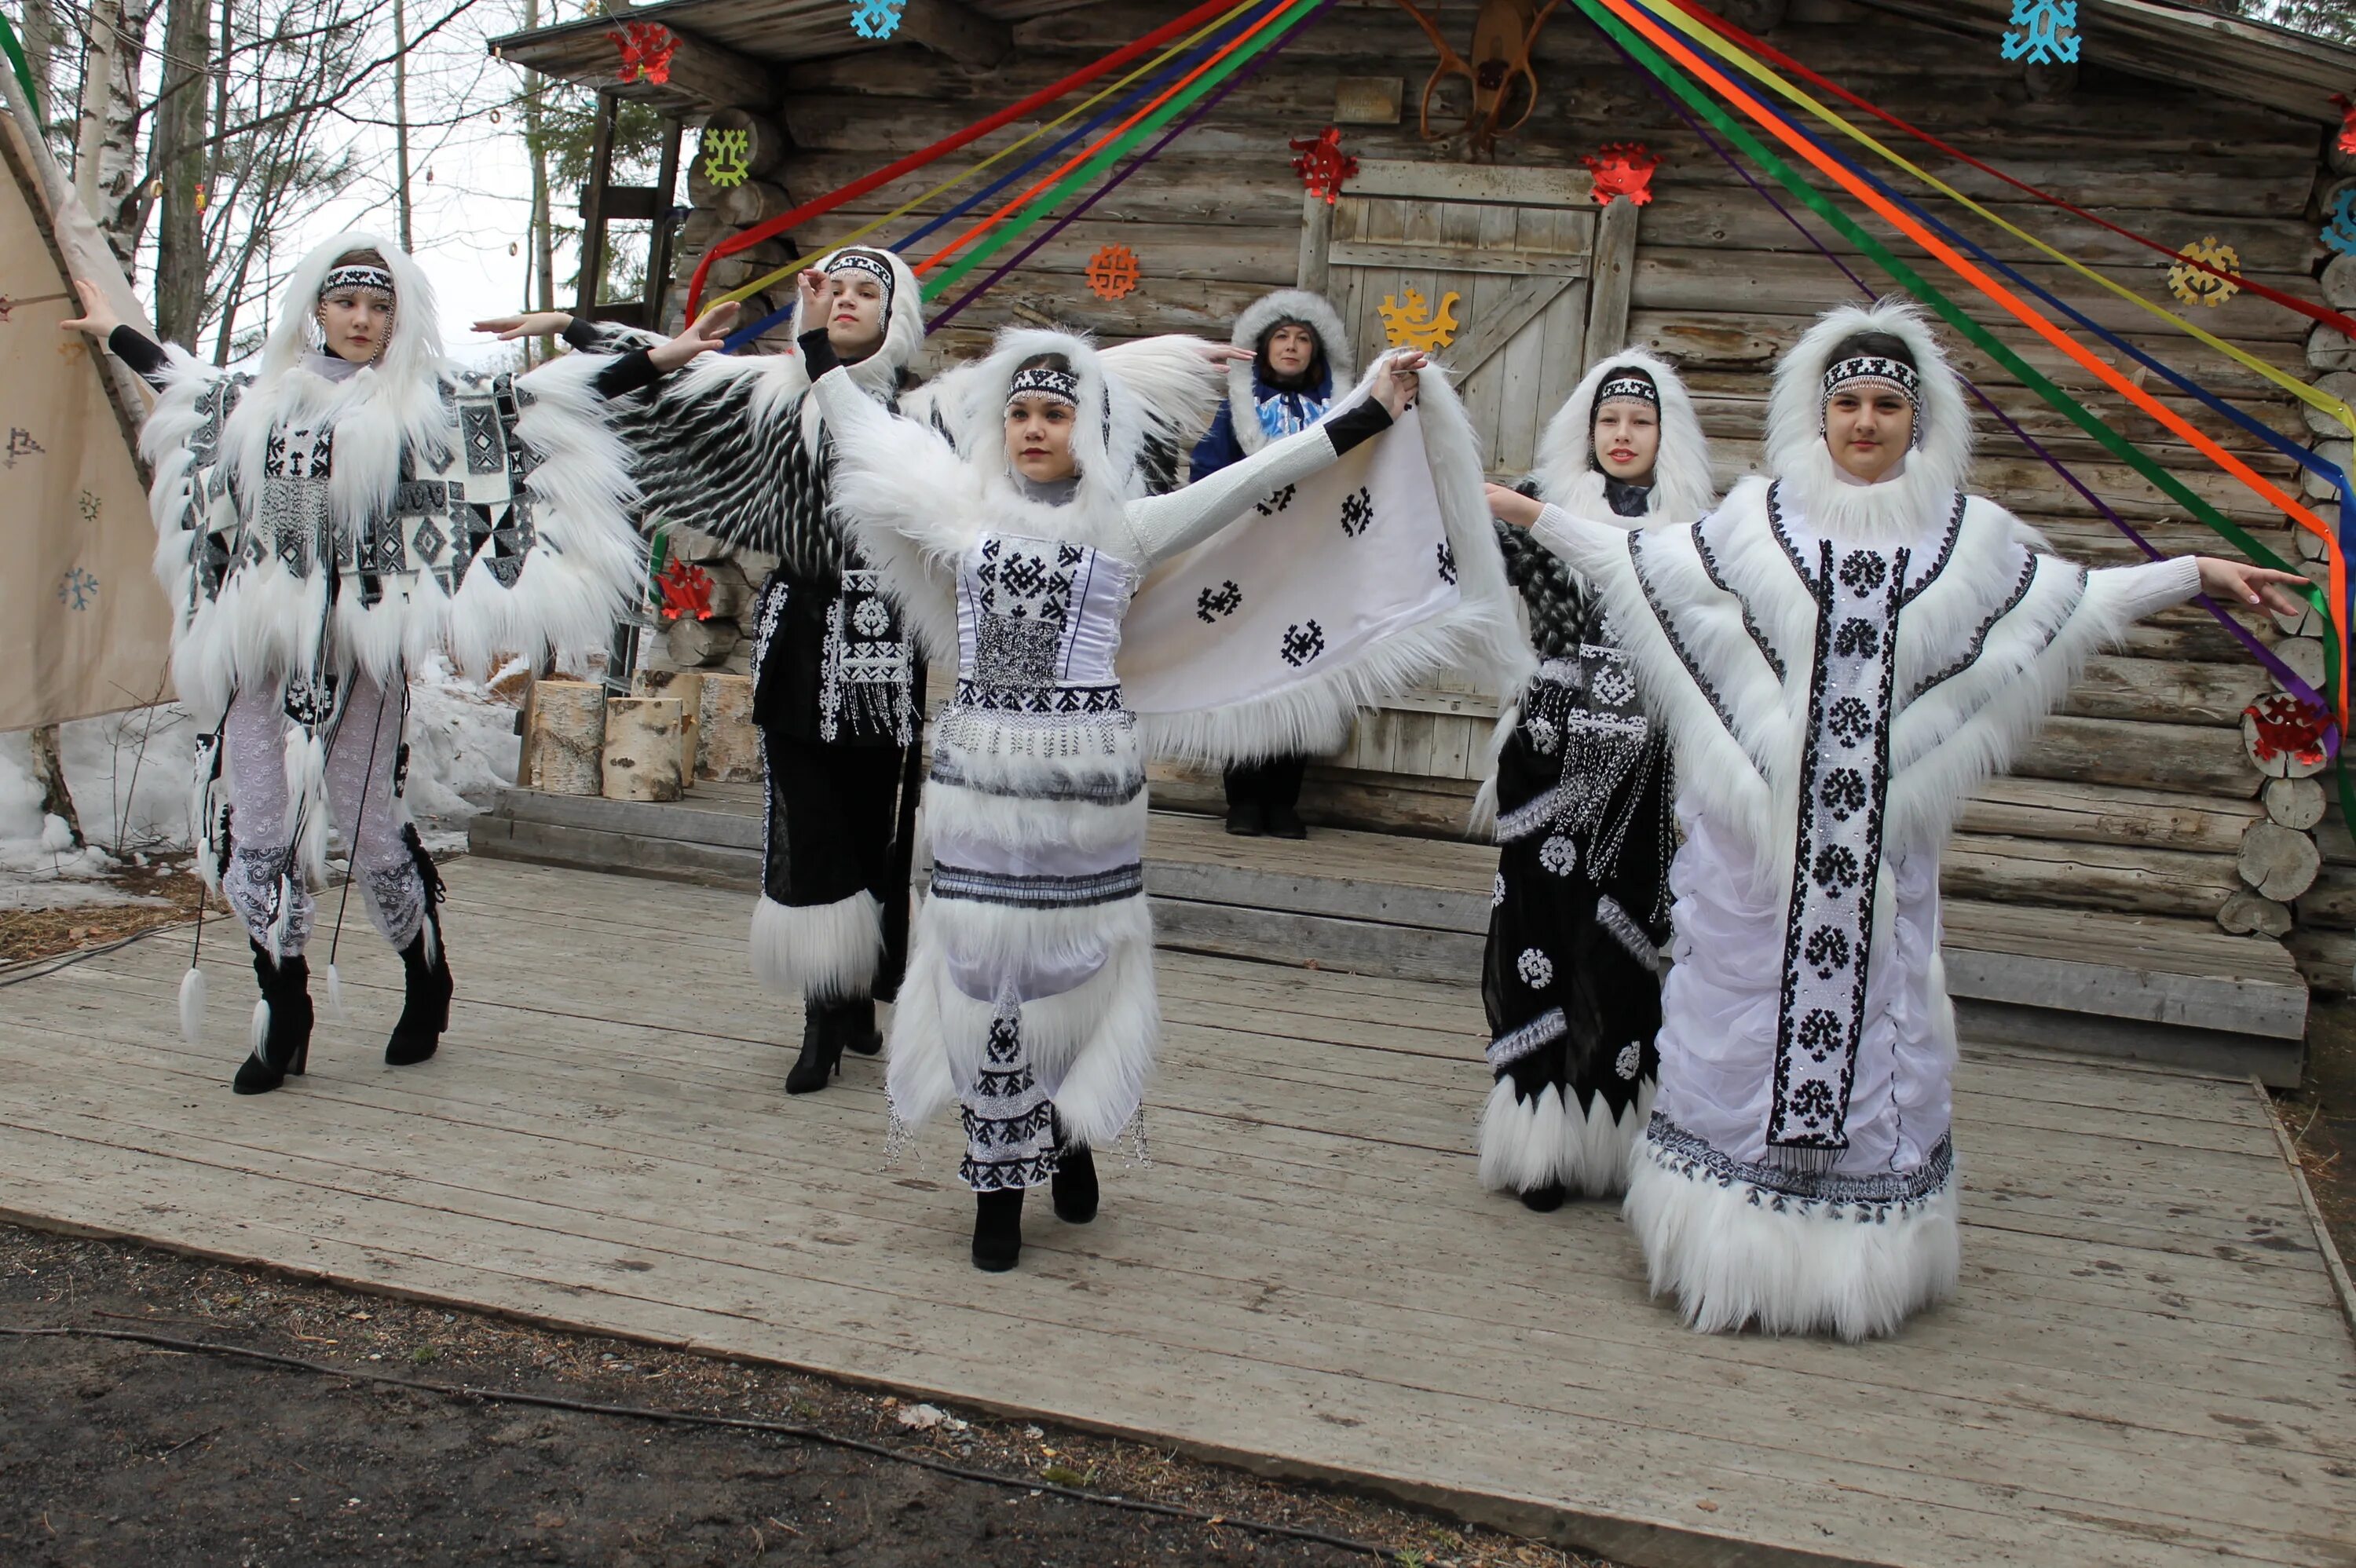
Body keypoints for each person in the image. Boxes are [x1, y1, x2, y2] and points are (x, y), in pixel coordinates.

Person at [1487, 300, 2308, 1339]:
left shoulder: (1968, 546)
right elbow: (1638, 565)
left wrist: (2192, 574)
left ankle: (1845, 1265)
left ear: (1918, 420)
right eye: (1847, 403)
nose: (1865, 421)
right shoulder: (1755, 526)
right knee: (1731, 1039)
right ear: (1817, 415)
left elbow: (2073, 602)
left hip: (1879, 868)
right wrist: (1528, 515)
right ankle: (1723, 1248)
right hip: (1754, 866)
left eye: (1885, 403)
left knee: (1882, 1035)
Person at [795, 266, 1512, 1271]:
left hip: (1087, 795)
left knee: (1073, 968)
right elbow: (858, 427)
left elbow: (1253, 486)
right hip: (977, 795)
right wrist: (821, 343)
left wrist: (1368, 410)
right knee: (981, 972)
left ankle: (1074, 1131)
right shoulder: (955, 516)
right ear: (1001, 427)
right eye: (1022, 414)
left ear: (1086, 426)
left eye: (1056, 412)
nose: (1036, 428)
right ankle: (998, 1177)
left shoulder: (1125, 530)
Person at [61, 232, 727, 1094]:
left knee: (366, 819)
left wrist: (654, 353)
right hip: (258, 646)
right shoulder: (254, 397)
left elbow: (535, 403)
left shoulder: (426, 405)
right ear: (318, 310)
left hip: (360, 648)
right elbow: (177, 383)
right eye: (347, 304)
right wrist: (113, 326)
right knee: (256, 827)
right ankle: (282, 1008)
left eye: (380, 307)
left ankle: (425, 974)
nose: (363, 320)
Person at [485, 247, 931, 1097]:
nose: (846, 300)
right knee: (807, 819)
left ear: (894, 313)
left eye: (866, 291)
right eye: (833, 287)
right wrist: (570, 330)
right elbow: (672, 376)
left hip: (883, 634)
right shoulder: (766, 394)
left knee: (874, 822)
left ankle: (856, 995)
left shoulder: (920, 414)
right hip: (799, 630)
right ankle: (818, 1007)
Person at [1479, 352, 1714, 1213]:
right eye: (1608, 421)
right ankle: (1538, 1134)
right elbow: (1441, 544)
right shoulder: (1530, 506)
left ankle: (1610, 1131)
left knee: (1622, 947)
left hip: (1643, 776)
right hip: (1547, 754)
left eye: (1639, 422)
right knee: (1536, 936)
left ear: (1665, 435)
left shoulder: (1699, 532)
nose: (1622, 435)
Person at [1189, 291, 1355, 839]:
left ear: (1317, 352)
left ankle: (1284, 800)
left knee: (1301, 675)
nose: (1292, 346)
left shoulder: (1340, 413)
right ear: (1262, 349)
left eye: (1302, 338)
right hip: (1248, 561)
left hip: (1312, 562)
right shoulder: (1236, 411)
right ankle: (1243, 799)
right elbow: (1207, 476)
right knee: (1247, 672)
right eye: (1282, 337)